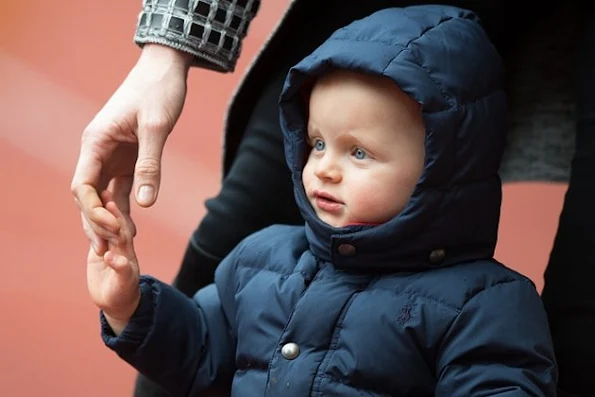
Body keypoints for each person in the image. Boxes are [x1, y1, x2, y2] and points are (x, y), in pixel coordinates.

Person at [71, 1, 594, 397]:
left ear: (444, 165)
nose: (322, 166)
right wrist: (129, 305)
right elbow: (203, 352)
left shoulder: (484, 306)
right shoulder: (261, 261)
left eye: (359, 153)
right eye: (317, 142)